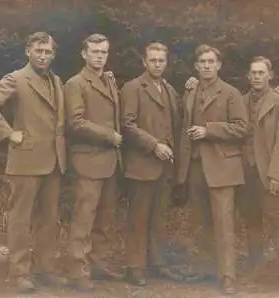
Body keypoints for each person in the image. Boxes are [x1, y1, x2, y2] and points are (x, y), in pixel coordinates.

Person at [0, 32, 66, 293]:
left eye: (48, 52)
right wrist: (8, 133)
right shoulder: (16, 78)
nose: (43, 56)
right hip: (25, 160)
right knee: (20, 220)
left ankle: (45, 270)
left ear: (53, 54)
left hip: (54, 161)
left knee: (49, 219)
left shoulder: (57, 81)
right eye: (39, 51)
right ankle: (19, 274)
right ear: (28, 51)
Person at [175, 44, 250, 295]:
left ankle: (228, 276)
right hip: (195, 166)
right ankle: (209, 270)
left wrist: (209, 130)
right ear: (196, 66)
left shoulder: (230, 93)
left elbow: (242, 128)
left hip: (222, 167)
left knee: (224, 225)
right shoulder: (191, 91)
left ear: (219, 65)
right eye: (202, 62)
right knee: (203, 222)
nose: (206, 66)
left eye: (211, 62)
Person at [120, 42, 184, 286]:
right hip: (142, 164)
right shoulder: (133, 87)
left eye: (161, 60)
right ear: (144, 62)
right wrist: (154, 145)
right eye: (153, 60)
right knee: (138, 217)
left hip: (165, 166)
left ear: (166, 63)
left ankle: (157, 263)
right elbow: (127, 125)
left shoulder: (169, 89)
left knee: (158, 217)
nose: (157, 64)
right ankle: (134, 266)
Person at [237, 56, 279, 294]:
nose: (256, 77)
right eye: (253, 73)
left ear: (270, 75)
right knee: (252, 223)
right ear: (248, 76)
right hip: (247, 174)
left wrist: (276, 175)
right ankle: (256, 274)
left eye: (261, 73)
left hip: (271, 174)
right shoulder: (240, 101)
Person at [63, 33, 122, 292]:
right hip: (88, 160)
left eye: (104, 52)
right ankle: (78, 271)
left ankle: (97, 264)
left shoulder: (108, 80)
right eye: (95, 52)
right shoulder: (76, 83)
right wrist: (108, 135)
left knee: (105, 219)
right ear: (84, 54)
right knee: (84, 218)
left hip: (109, 161)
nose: (99, 56)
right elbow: (75, 123)